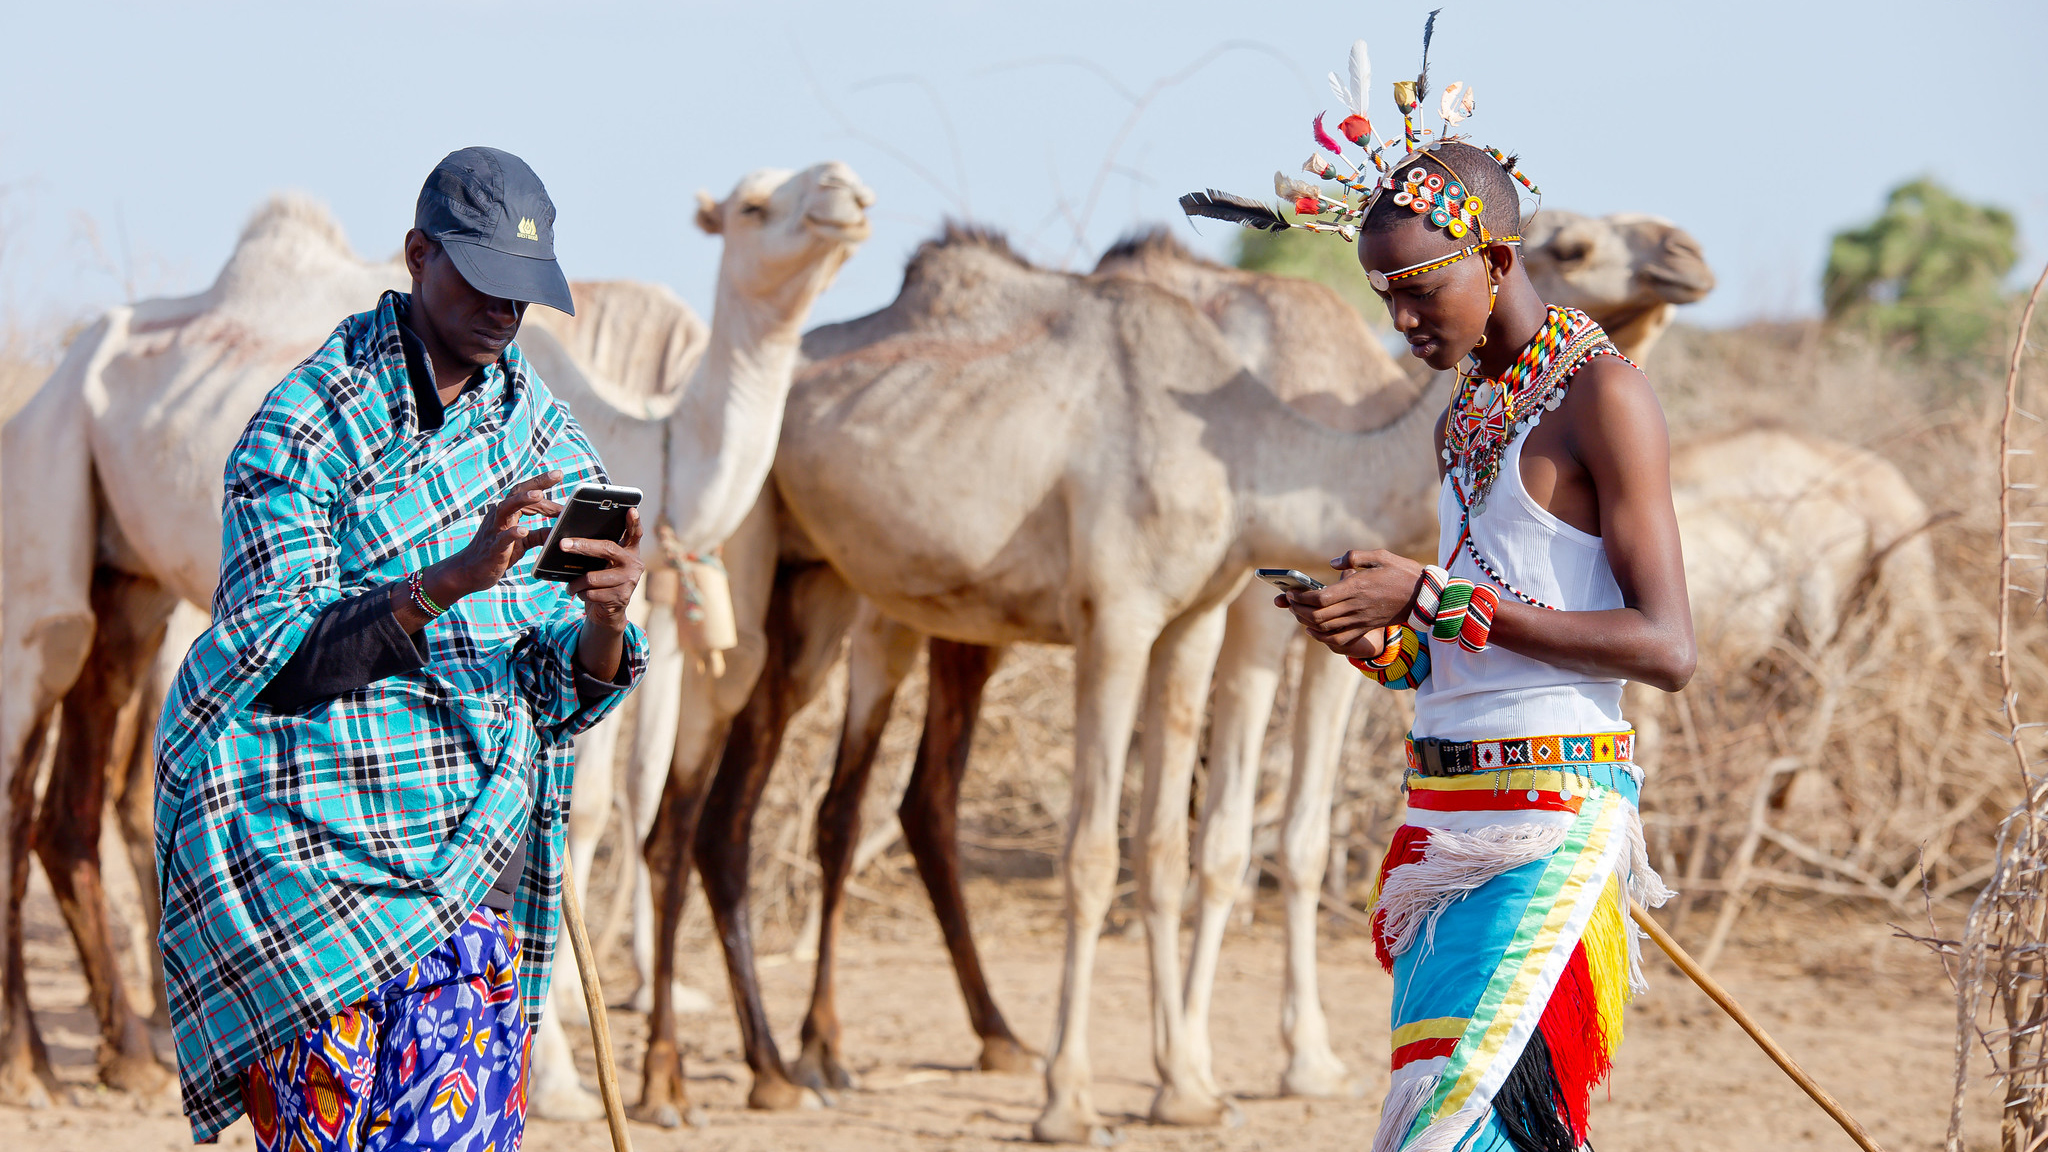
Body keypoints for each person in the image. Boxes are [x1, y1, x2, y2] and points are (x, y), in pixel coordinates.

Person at [1186, 31, 1695, 1152]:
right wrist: (1378, 639)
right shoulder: (1464, 413)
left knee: (1451, 1133)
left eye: (1424, 292)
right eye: (1384, 297)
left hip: (1545, 823)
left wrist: (1436, 597)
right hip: (1442, 817)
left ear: (1501, 265)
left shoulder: (1603, 399)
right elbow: (1475, 641)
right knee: (1478, 1128)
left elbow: (1662, 645)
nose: (1404, 322)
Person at [152, 147, 650, 1149]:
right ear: (417, 254)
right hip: (307, 886)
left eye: (525, 289)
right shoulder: (305, 425)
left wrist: (603, 620)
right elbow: (272, 659)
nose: (507, 309)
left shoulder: (545, 446)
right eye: (482, 277)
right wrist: (452, 579)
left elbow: (560, 690)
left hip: (475, 878)